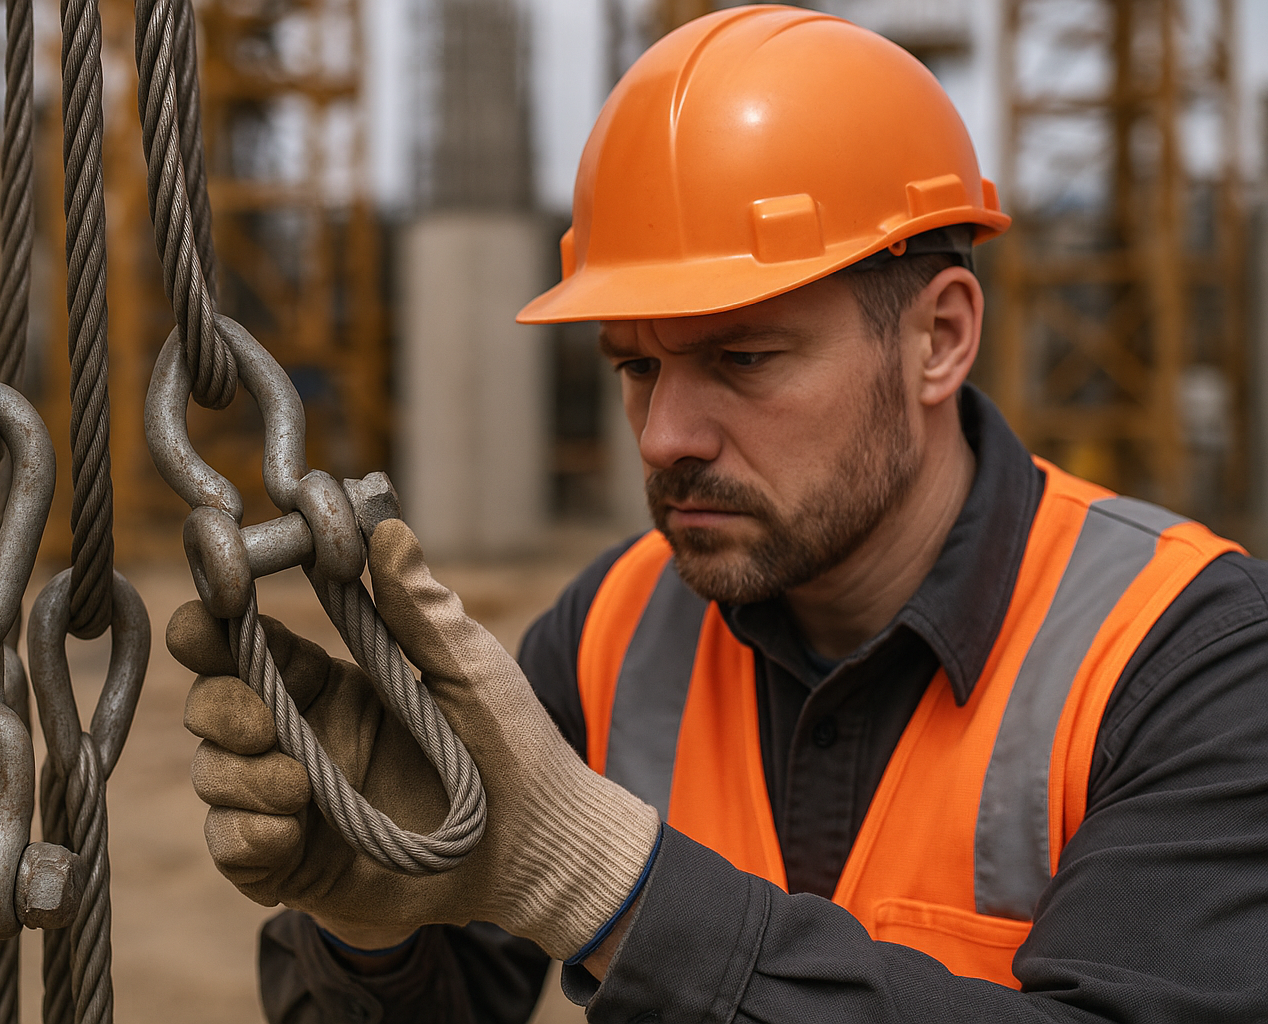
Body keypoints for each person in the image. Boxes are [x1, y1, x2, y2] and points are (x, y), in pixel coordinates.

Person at [166, 6, 1268, 1021]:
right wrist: (371, 932)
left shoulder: (1190, 657)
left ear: (938, 338)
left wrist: (611, 889)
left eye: (743, 358)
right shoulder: (612, 630)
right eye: (637, 367)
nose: (663, 438)